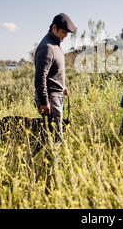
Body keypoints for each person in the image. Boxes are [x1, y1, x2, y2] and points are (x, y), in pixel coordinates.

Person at [34, 13, 77, 146]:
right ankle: (52, 167)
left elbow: (53, 71)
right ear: (54, 28)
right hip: (50, 99)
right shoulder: (47, 47)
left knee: (47, 137)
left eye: (67, 33)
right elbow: (40, 76)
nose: (65, 36)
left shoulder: (55, 44)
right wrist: (43, 101)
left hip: (56, 95)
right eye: (63, 32)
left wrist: (62, 86)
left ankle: (28, 164)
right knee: (56, 139)